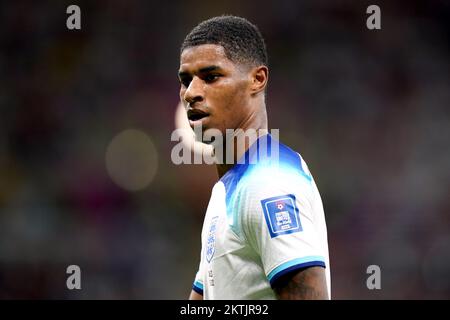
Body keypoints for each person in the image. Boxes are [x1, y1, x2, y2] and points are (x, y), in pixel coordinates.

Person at [178, 15, 330, 300]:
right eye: (186, 80)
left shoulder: (269, 182)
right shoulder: (228, 188)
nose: (191, 93)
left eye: (211, 77)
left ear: (257, 80)